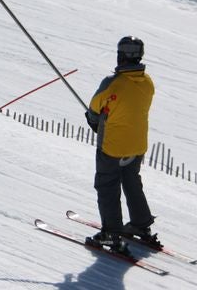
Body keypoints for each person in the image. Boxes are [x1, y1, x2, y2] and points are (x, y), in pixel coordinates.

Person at [84, 36, 158, 255]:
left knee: (107, 184)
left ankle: (111, 232)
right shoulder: (147, 82)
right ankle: (140, 224)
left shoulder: (112, 83)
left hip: (112, 146)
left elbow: (94, 109)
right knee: (131, 180)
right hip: (137, 144)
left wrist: (94, 121)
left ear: (120, 56)